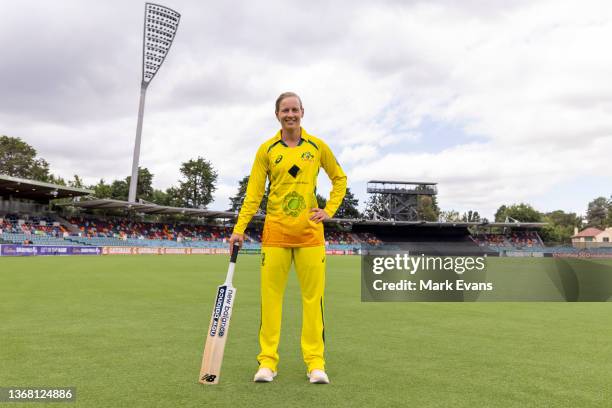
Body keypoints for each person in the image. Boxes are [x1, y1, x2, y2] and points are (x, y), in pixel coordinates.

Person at [229, 92, 347, 384]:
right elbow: (254, 194)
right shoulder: (266, 150)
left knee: (312, 300)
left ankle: (315, 364)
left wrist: (329, 210)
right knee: (271, 300)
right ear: (277, 115)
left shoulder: (317, 146)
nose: (290, 114)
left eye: (295, 109)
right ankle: (267, 363)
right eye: (285, 110)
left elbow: (340, 178)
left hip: (310, 236)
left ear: (302, 112)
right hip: (275, 235)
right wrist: (239, 228)